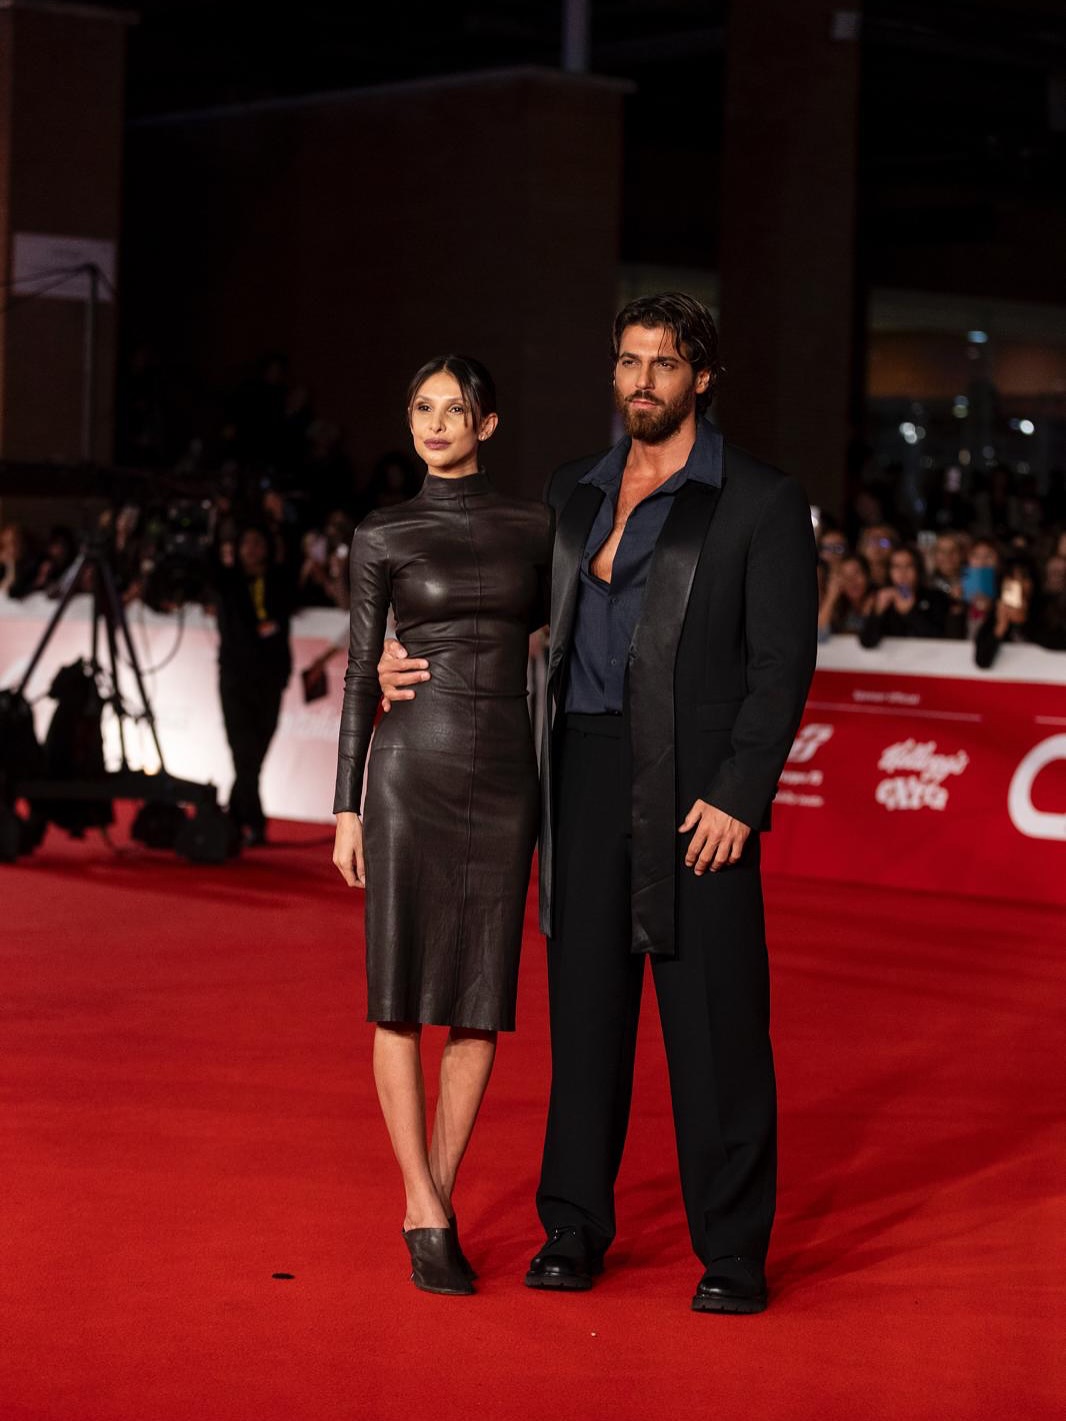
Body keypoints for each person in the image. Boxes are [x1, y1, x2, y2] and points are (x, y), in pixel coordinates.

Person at [379, 294, 817, 1314]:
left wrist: (738, 794)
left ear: (701, 376)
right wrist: (405, 655)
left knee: (715, 1024)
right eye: (628, 360)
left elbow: (781, 664)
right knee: (585, 1018)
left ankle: (732, 1248)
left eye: (663, 362)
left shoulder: (757, 499)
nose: (641, 380)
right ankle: (572, 1225)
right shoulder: (571, 490)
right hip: (578, 772)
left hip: (696, 787)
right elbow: (503, 611)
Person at [332, 356, 552, 1298]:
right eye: (422, 407)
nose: (434, 423)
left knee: (478, 995)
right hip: (409, 770)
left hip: (505, 776)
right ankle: (421, 1205)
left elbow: (572, 640)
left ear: (486, 424)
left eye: (454, 410)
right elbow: (359, 671)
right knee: (396, 995)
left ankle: (439, 1196)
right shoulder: (382, 530)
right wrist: (345, 803)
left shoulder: (536, 526)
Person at [208, 525, 293, 845]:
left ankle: (233, 817)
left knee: (254, 754)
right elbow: (211, 565)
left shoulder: (279, 581)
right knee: (243, 751)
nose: (254, 549)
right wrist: (219, 521)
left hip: (270, 678)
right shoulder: (228, 583)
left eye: (259, 542)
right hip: (236, 678)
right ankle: (254, 821)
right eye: (248, 542)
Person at [858, 545, 956, 647]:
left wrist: (910, 613)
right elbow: (867, 642)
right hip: (892, 656)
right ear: (889, 571)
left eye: (908, 566)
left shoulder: (936, 597)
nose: (902, 572)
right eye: (896, 567)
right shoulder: (885, 599)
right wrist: (878, 611)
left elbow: (940, 639)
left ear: (917, 569)